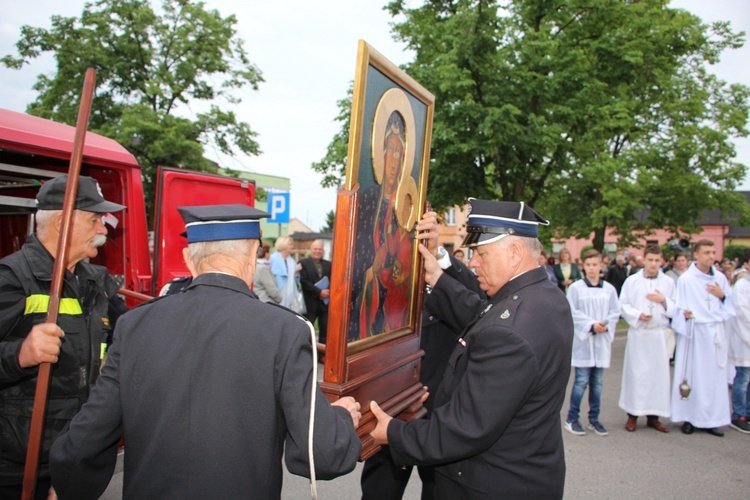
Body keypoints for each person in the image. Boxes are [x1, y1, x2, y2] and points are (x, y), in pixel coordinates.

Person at [49, 204, 362, 499]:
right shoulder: (284, 330)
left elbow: (87, 439)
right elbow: (322, 454)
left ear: (188, 258)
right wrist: (342, 419)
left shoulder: (134, 325)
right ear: (254, 254)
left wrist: (64, 484)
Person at [369, 199, 574, 499]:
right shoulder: (544, 297)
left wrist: (393, 433)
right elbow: (482, 315)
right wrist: (438, 278)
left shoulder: (509, 332)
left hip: (490, 484)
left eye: (481, 253)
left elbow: (466, 428)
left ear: (515, 253)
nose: (474, 262)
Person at [0, 175, 127, 499]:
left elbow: (127, 334)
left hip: (70, 457)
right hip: (16, 469)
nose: (104, 229)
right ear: (61, 222)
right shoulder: (12, 279)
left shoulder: (94, 284)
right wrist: (19, 355)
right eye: (95, 219)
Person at [360, 212, 486, 500]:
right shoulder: (380, 279)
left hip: (436, 412)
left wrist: (438, 254)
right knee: (380, 492)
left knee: (438, 491)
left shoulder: (448, 276)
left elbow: (474, 301)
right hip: (390, 407)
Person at [670, 239, 734, 437]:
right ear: (696, 255)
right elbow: (679, 307)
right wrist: (685, 315)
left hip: (714, 333)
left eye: (713, 252)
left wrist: (723, 296)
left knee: (713, 379)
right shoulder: (686, 280)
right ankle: (689, 418)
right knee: (693, 375)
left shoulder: (720, 279)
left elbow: (731, 305)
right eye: (707, 252)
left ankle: (712, 419)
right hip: (695, 333)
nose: (711, 256)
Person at [618, 245, 676, 433]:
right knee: (637, 375)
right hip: (640, 334)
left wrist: (663, 300)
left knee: (657, 377)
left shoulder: (668, 282)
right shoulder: (632, 281)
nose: (653, 264)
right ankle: (632, 415)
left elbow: (676, 306)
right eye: (650, 260)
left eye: (657, 260)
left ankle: (654, 417)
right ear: (644, 259)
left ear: (662, 261)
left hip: (658, 335)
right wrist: (637, 315)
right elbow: (623, 304)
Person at [564, 249, 621, 437]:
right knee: (581, 381)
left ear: (601, 266)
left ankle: (594, 419)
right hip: (585, 342)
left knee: (597, 383)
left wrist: (604, 325)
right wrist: (591, 325)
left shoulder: (609, 289)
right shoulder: (576, 288)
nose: (591, 268)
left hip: (601, 341)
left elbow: (614, 311)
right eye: (588, 265)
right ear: (583, 267)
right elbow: (572, 312)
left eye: (595, 265)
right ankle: (572, 418)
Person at [727, 266, 750, 433]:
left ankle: (748, 412)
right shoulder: (741, 286)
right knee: (743, 377)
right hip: (744, 338)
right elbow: (741, 313)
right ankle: (738, 415)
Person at [299, 240, 332, 344]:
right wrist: (319, 292)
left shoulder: (329, 264)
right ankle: (308, 355)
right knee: (307, 331)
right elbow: (304, 281)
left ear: (323, 250)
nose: (317, 251)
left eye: (320, 249)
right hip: (310, 304)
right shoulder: (303, 263)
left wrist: (327, 292)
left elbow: (333, 280)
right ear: (311, 250)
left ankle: (322, 356)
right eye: (315, 249)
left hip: (325, 304)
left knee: (325, 331)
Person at [270, 236, 299, 309]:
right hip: (276, 295)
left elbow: (296, 280)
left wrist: (296, 273)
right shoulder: (272, 259)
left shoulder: (292, 261)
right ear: (284, 245)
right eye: (290, 244)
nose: (292, 246)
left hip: (290, 296)